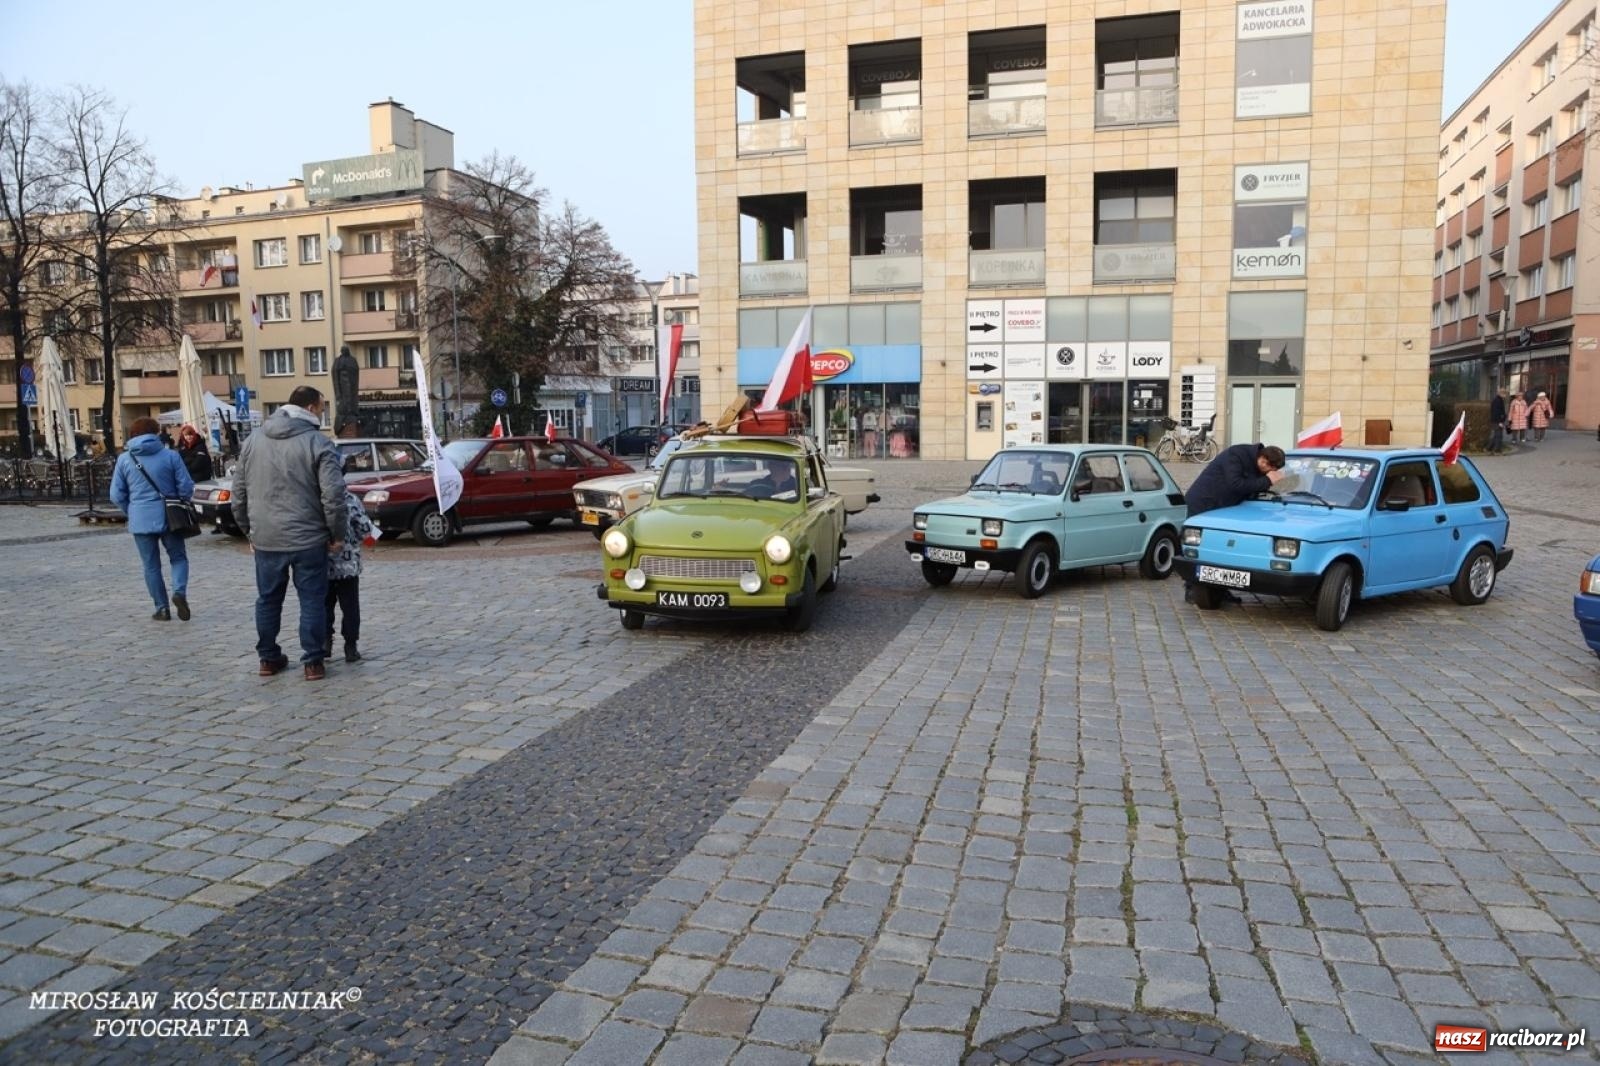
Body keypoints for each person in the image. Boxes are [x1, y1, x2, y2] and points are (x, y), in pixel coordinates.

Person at [232, 386, 347, 681]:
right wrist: (337, 533)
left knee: (268, 599)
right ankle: (313, 662)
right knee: (312, 600)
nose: (322, 414)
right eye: (321, 408)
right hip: (309, 538)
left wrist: (250, 531)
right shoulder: (318, 443)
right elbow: (333, 495)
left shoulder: (253, 440)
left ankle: (268, 659)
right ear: (310, 408)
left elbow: (239, 493)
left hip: (267, 537)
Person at [110, 416, 196, 621]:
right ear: (156, 433)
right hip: (171, 516)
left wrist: (131, 509)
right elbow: (186, 486)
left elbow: (115, 495)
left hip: (140, 518)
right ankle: (179, 592)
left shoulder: (125, 459)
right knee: (178, 557)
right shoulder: (170, 456)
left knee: (150, 566)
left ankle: (162, 608)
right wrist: (179, 500)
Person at [1182, 442, 1288, 604]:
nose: (1266, 471)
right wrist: (1267, 480)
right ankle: (1193, 590)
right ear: (1263, 459)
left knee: (1221, 550)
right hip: (1203, 504)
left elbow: (1255, 489)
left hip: (1224, 509)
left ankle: (1220, 590)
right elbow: (1237, 484)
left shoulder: (1260, 465)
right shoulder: (1236, 455)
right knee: (1201, 549)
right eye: (1266, 467)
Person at [325, 488, 374, 663]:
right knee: (350, 608)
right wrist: (372, 540)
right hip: (348, 567)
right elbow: (366, 530)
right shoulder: (350, 499)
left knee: (324, 606)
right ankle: (350, 646)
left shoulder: (316, 499)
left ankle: (325, 642)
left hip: (322, 566)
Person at [1488, 389, 1507, 455]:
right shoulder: (1498, 401)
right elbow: (1496, 412)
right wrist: (1500, 422)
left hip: (1495, 421)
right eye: (1504, 393)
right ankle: (1496, 451)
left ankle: (1489, 448)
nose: (1505, 395)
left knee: (1495, 436)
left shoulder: (1498, 400)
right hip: (1497, 421)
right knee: (1498, 436)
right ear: (1501, 393)